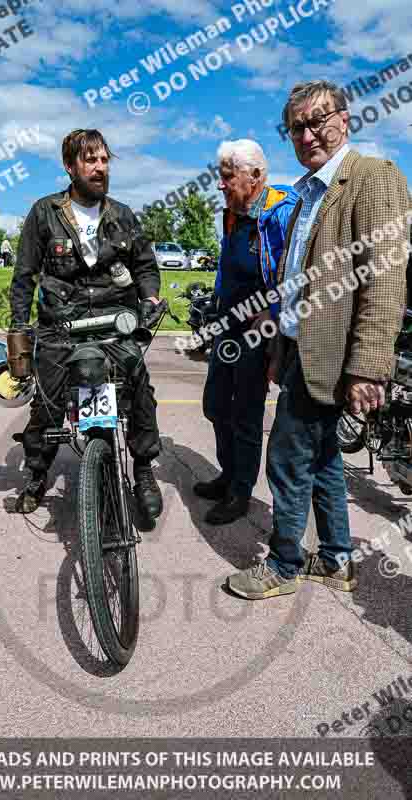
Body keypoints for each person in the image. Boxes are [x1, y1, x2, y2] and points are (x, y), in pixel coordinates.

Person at [226, 80, 410, 600]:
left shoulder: (373, 177)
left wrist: (369, 366)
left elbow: (386, 277)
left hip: (333, 358)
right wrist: (280, 350)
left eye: (319, 121)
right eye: (297, 127)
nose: (308, 134)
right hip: (299, 354)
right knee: (326, 460)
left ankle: (285, 564)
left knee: (285, 459)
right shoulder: (308, 191)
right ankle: (333, 560)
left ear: (345, 120)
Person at [9, 128, 164, 516]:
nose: (99, 168)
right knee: (47, 405)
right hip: (61, 325)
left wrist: (150, 296)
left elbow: (144, 265)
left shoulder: (123, 215)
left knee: (140, 391)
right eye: (89, 160)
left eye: (104, 160)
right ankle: (38, 472)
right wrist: (18, 329)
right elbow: (25, 274)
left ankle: (143, 469)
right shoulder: (45, 212)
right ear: (70, 166)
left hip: (114, 322)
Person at [194, 139, 298, 525]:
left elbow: (298, 271)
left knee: (246, 413)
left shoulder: (281, 213)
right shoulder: (233, 213)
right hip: (227, 324)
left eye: (226, 176)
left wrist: (273, 312)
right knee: (215, 404)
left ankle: (240, 492)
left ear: (255, 176)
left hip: (258, 328)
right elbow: (228, 265)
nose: (220, 184)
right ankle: (228, 473)